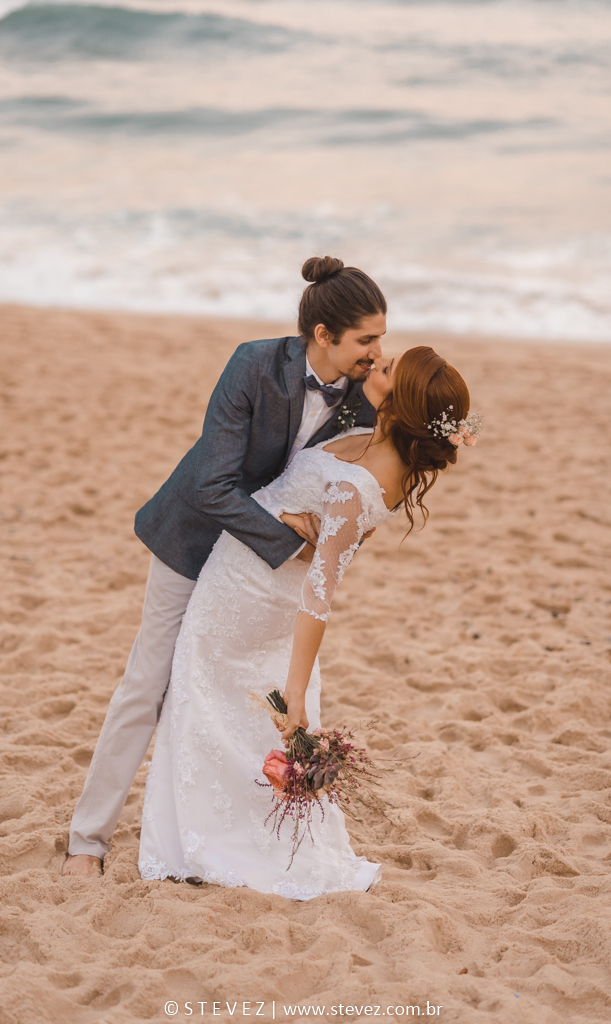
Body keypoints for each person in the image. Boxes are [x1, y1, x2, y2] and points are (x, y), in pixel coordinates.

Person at [63, 256, 387, 877]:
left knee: (243, 693)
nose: (377, 350)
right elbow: (213, 485)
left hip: (255, 577)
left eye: (380, 338)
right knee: (148, 682)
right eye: (366, 339)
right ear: (323, 335)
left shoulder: (361, 400)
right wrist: (289, 541)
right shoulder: (253, 364)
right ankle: (88, 841)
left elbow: (354, 496)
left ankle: (229, 836)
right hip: (193, 540)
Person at [137, 345, 475, 899]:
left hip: (251, 595)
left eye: (386, 370)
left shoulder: (357, 487)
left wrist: (298, 691)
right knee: (216, 705)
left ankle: (208, 844)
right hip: (250, 578)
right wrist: (285, 522)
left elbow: (320, 598)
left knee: (212, 699)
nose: (376, 364)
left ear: (399, 402)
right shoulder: (374, 441)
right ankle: (205, 835)